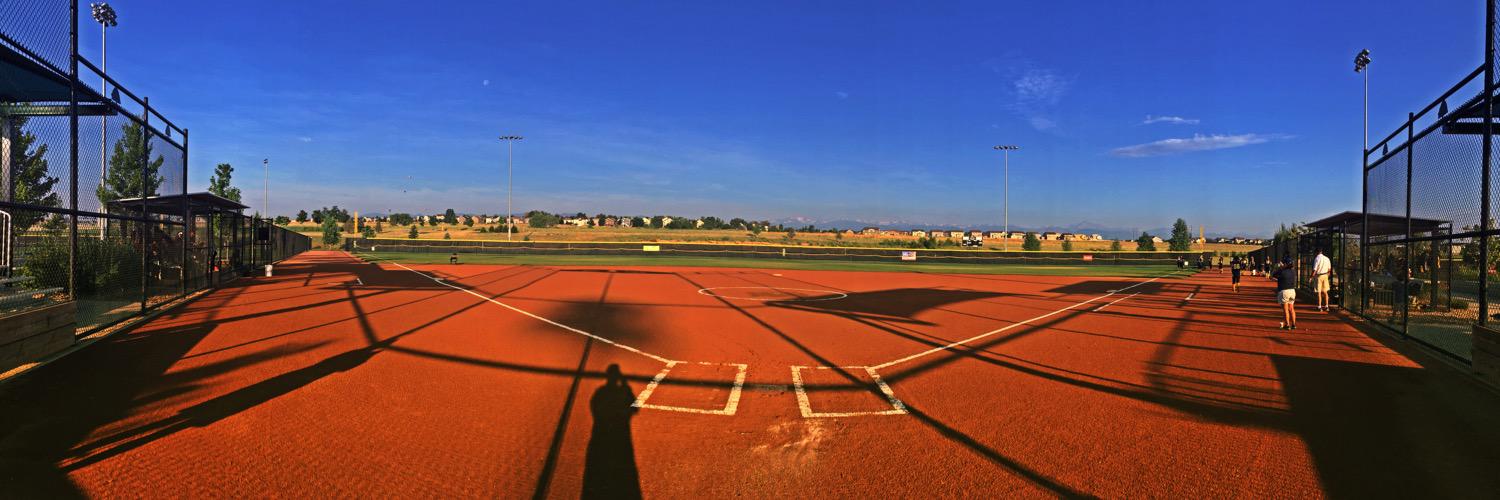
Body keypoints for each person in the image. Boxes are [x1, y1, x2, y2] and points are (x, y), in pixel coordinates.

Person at [1271, 257, 1298, 330]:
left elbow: (1272, 275)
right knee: (1291, 308)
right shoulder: (1293, 271)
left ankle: (1287, 325)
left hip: (1284, 291)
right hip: (1292, 291)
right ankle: (1294, 324)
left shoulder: (1282, 271)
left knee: (1285, 309)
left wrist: (1279, 268)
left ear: (1285, 264)